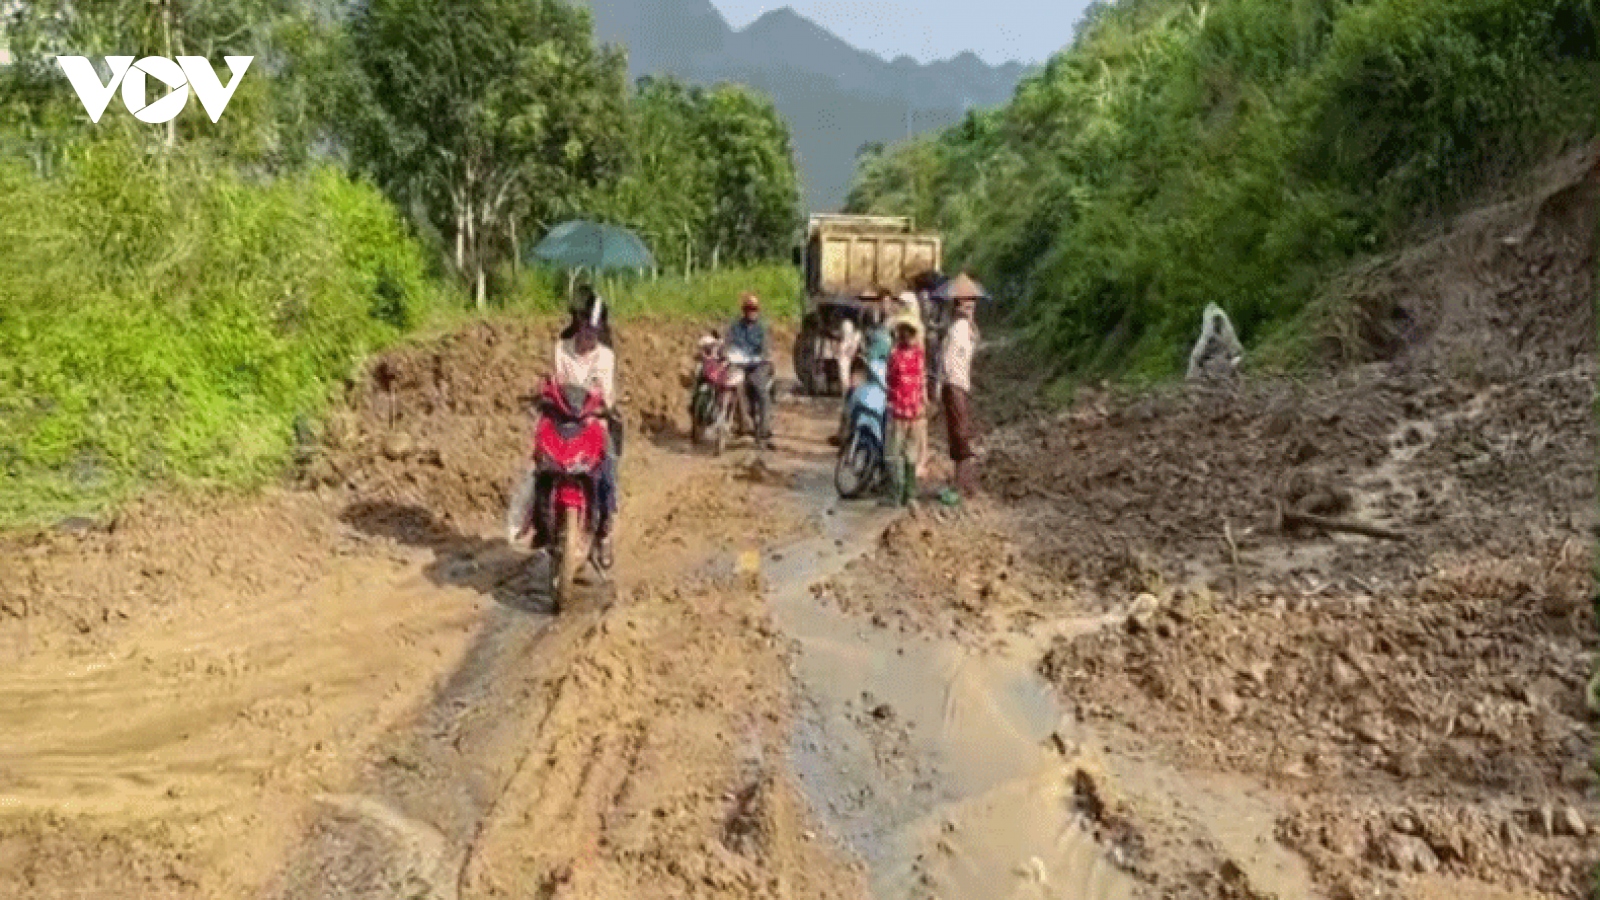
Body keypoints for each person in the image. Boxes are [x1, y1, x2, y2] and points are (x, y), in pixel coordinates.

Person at [552, 313, 619, 566]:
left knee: (607, 467)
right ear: (578, 325)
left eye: (596, 328)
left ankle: (604, 531)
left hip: (593, 421)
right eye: (587, 327)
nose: (590, 333)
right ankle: (538, 519)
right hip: (562, 421)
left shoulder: (606, 357)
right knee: (541, 464)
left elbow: (607, 393)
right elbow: (556, 383)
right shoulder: (560, 350)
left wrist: (604, 407)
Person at [940, 276, 982, 498]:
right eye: (967, 304)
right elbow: (948, 360)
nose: (971, 308)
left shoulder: (963, 328)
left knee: (960, 432)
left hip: (957, 384)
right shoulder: (958, 328)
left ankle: (963, 481)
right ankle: (963, 482)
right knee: (959, 432)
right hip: (955, 383)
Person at [884, 321, 926, 508]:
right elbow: (922, 381)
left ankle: (896, 493)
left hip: (900, 410)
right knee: (910, 454)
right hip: (914, 411)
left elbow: (890, 379)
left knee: (894, 454)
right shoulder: (919, 355)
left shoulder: (895, 355)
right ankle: (910, 495)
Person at [726, 292, 774, 446]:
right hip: (740, 364)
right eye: (748, 309)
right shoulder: (735, 327)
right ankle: (743, 425)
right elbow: (728, 342)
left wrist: (763, 356)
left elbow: (766, 348)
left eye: (754, 309)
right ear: (744, 310)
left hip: (758, 365)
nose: (751, 312)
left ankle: (764, 429)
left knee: (760, 389)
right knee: (736, 387)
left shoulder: (762, 328)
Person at [1187, 302, 1243, 383]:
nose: (1217, 323)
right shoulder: (1207, 338)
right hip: (1211, 369)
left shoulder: (1227, 337)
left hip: (1224, 368)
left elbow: (1236, 352)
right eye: (1215, 321)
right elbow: (1197, 356)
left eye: (1218, 320)